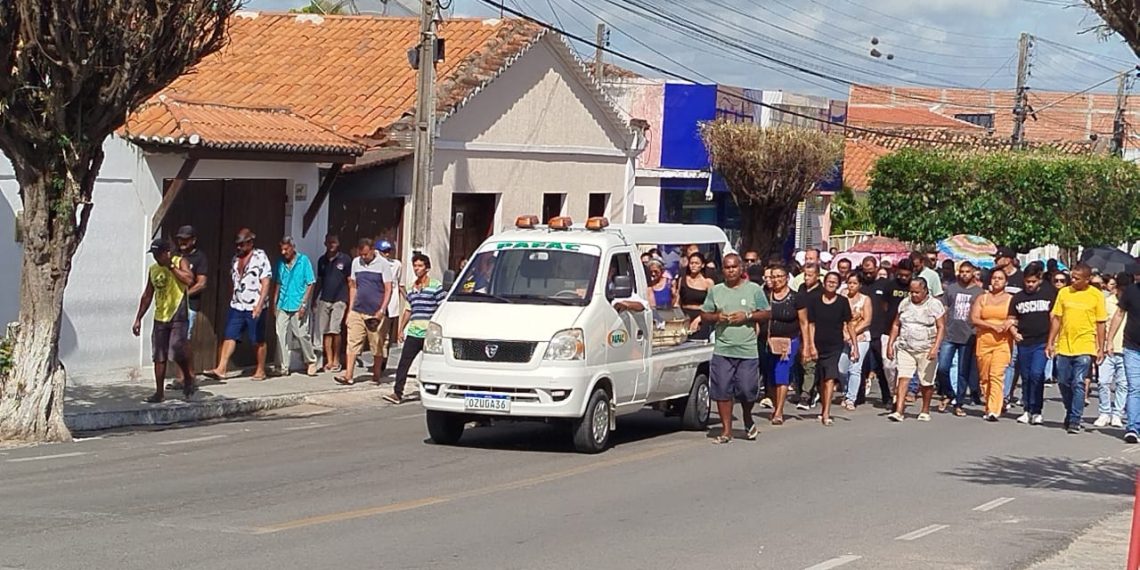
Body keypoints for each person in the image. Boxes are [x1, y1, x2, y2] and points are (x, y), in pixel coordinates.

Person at [700, 253, 771, 444]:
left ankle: (747, 417)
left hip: (747, 350)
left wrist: (747, 316)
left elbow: (766, 313)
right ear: (722, 270)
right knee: (722, 389)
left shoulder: (753, 290)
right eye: (727, 267)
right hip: (723, 349)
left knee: (747, 390)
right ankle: (726, 430)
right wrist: (717, 317)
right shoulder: (716, 291)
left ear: (741, 268)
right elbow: (705, 314)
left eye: (734, 267)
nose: (730, 270)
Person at [204, 228, 272, 381]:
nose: (239, 247)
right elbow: (234, 280)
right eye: (237, 244)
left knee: (257, 339)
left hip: (255, 304)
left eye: (242, 244)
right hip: (238, 304)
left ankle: (260, 370)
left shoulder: (260, 257)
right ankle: (221, 368)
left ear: (250, 243)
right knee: (230, 334)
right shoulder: (235, 259)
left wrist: (260, 305)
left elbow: (266, 281)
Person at [133, 239, 196, 403]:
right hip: (160, 316)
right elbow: (147, 295)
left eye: (159, 254)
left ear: (167, 252)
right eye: (154, 254)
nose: (156, 257)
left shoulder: (180, 262)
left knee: (176, 349)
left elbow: (189, 280)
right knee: (159, 355)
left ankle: (188, 376)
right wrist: (138, 318)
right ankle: (159, 393)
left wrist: (171, 267)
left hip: (178, 314)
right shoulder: (153, 270)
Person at [1047, 263, 1107, 434]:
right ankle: (1070, 409)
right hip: (1064, 345)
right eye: (1072, 277)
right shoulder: (1064, 293)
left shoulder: (1096, 295)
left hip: (1085, 345)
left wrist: (1100, 347)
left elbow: (1101, 323)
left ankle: (1075, 419)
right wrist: (1050, 342)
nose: (1072, 280)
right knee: (1063, 381)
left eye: (1077, 278)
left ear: (1087, 279)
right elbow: (1057, 319)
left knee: (1079, 382)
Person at [387, 253, 446, 405]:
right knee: (404, 363)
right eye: (415, 266)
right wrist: (401, 329)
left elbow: (442, 309)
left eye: (420, 266)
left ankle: (435, 391)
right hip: (414, 332)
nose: (417, 269)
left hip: (429, 334)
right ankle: (397, 393)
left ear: (427, 268)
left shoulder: (436, 286)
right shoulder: (411, 288)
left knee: (432, 364)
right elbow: (408, 310)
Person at [886, 277, 946, 422]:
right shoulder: (905, 303)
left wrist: (935, 347)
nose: (913, 295)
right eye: (911, 292)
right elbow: (896, 324)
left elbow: (941, 327)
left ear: (925, 290)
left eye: (917, 292)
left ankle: (925, 410)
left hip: (926, 348)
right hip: (906, 347)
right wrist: (890, 344)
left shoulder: (934, 305)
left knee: (926, 382)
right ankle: (899, 411)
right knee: (903, 377)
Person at [337, 238, 394, 385]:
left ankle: (376, 374)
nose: (363, 257)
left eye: (366, 254)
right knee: (352, 342)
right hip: (358, 309)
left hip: (375, 311)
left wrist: (382, 309)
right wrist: (350, 310)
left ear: (373, 250)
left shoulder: (383, 264)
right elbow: (353, 287)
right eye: (361, 254)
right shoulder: (356, 262)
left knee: (376, 343)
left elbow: (388, 288)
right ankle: (348, 375)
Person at [806, 272, 857, 426]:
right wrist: (811, 345)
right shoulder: (815, 300)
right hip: (818, 344)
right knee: (821, 379)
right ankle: (823, 407)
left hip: (835, 345)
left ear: (838, 285)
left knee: (830, 377)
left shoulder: (842, 302)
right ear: (824, 282)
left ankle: (826, 413)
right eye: (829, 281)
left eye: (835, 282)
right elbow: (811, 324)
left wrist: (855, 346)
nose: (831, 284)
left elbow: (849, 324)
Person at [1008, 264, 1056, 425]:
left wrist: (1052, 341)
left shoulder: (1048, 294)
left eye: (1033, 281)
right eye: (1027, 281)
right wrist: (1014, 333)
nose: (1030, 284)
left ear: (1039, 280)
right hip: (1024, 342)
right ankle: (1027, 409)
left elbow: (1054, 318)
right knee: (1026, 376)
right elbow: (1011, 319)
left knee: (1037, 374)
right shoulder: (1018, 297)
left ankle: (1037, 410)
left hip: (1042, 342)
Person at [763, 264, 808, 425]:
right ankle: (776, 405)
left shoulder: (796, 297)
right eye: (773, 277)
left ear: (787, 278)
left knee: (782, 375)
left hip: (789, 341)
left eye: (779, 276)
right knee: (771, 376)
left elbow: (804, 322)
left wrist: (807, 345)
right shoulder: (766, 296)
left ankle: (779, 411)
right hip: (768, 341)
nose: (776, 280)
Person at [970, 270, 1015, 421]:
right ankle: (989, 405)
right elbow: (974, 318)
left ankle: (994, 410)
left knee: (996, 374)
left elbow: (1015, 318)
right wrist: (992, 326)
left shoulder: (1010, 299)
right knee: (985, 377)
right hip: (984, 341)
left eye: (1000, 278)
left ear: (1006, 282)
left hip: (1003, 342)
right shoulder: (982, 298)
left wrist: (1009, 324)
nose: (996, 281)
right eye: (994, 278)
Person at [939, 261, 983, 416]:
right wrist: (941, 328)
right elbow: (944, 309)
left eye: (967, 272)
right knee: (943, 368)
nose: (964, 274)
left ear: (973, 273)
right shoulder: (951, 289)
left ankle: (959, 402)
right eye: (962, 271)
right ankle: (949, 393)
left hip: (968, 336)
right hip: (950, 334)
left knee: (963, 372)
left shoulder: (979, 292)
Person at [272, 237, 319, 377]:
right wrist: (275, 302)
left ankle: (310, 360)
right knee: (280, 335)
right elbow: (278, 283)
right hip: (283, 303)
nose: (283, 252)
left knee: (301, 334)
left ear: (293, 247)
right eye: (282, 249)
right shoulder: (280, 263)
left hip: (298, 303)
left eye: (286, 249)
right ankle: (283, 366)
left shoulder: (303, 261)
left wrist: (304, 304)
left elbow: (310, 283)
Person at [171, 225, 208, 390]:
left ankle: (187, 377)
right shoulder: (174, 256)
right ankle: (184, 377)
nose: (182, 242)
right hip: (171, 306)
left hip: (189, 305)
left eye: (186, 239)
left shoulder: (200, 258)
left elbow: (202, 283)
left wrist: (184, 296)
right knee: (176, 342)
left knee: (183, 341)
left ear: (193, 240)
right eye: (180, 239)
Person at [1108, 271, 1140, 443]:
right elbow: (1119, 314)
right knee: (1135, 388)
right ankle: (1133, 428)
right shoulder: (1131, 291)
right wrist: (1109, 340)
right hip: (1132, 347)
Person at [1095, 273, 1129, 428]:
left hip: (1127, 349)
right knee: (1103, 382)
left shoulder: (1133, 303)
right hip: (1107, 349)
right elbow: (1100, 325)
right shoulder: (1107, 302)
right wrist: (1100, 346)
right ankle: (1104, 412)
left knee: (1123, 384)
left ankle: (1117, 414)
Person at [315, 234, 351, 372]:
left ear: (338, 243)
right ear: (325, 243)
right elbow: (320, 280)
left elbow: (350, 281)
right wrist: (314, 299)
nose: (331, 245)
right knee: (325, 331)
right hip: (325, 298)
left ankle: (336, 360)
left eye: (334, 242)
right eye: (329, 242)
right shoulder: (322, 260)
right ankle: (329, 361)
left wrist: (350, 301)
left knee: (335, 330)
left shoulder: (345, 259)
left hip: (340, 299)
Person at [840, 273, 872, 410]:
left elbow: (867, 320)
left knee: (855, 368)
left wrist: (852, 334)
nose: (851, 286)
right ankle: (846, 390)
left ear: (860, 285)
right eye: (849, 283)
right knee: (841, 368)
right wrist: (845, 334)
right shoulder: (842, 297)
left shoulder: (865, 299)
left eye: (854, 283)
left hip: (861, 338)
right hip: (843, 336)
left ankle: (851, 398)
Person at [376, 239, 404, 374]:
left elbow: (399, 283)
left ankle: (382, 362)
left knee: (386, 335)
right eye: (384, 252)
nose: (387, 254)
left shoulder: (396, 265)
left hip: (391, 304)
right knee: (376, 334)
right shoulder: (374, 265)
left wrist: (407, 298)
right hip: (376, 303)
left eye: (388, 251)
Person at [678, 252, 716, 340]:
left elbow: (712, 305)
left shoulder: (708, 282)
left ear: (702, 265)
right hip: (684, 316)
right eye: (691, 263)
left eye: (696, 263)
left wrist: (700, 318)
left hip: (701, 317)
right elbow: (677, 300)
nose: (693, 266)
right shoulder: (682, 280)